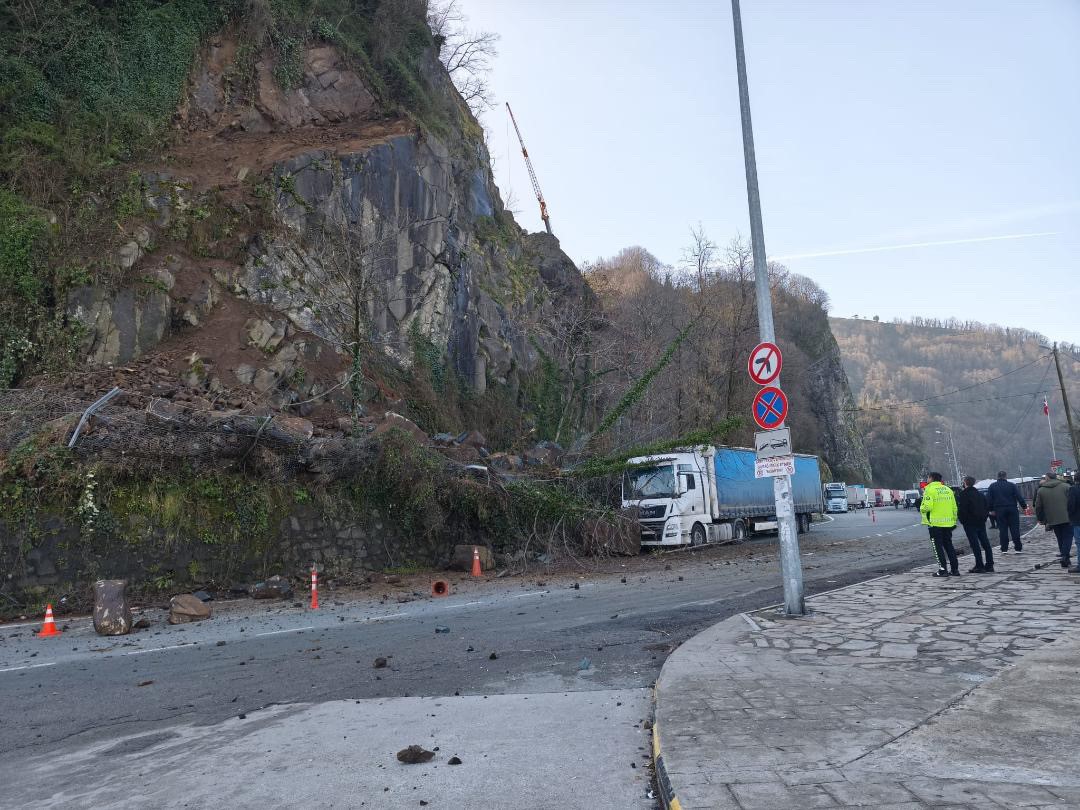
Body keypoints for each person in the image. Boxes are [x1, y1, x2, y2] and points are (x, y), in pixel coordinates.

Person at [921, 472, 960, 577]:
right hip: (948, 523)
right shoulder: (948, 490)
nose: (927, 479)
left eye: (928, 477)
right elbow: (954, 507)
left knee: (937, 547)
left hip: (935, 524)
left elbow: (927, 507)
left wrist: (921, 508)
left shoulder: (929, 490)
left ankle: (943, 570)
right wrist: (953, 520)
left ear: (931, 478)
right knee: (949, 546)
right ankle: (955, 569)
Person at [1035, 472, 1073, 568]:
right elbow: (1072, 501)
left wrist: (1040, 519)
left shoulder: (1041, 490)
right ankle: (1065, 556)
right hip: (1067, 516)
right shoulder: (1066, 486)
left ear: (1047, 478)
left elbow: (1038, 507)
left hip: (1052, 518)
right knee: (1068, 537)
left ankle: (1065, 558)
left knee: (1060, 538)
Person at [957, 476, 994, 573]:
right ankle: (990, 564)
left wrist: (963, 520)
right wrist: (984, 518)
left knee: (975, 544)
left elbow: (962, 510)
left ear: (965, 483)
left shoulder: (963, 495)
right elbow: (986, 507)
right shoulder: (980, 494)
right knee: (985, 543)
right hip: (981, 522)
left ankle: (979, 565)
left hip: (970, 523)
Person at [985, 471, 1028, 553]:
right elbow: (1018, 496)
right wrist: (1024, 506)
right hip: (1012, 509)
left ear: (997, 477)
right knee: (1015, 529)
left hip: (999, 510)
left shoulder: (992, 486)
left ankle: (1004, 548)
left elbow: (989, 499)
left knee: (1003, 530)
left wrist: (990, 510)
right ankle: (1018, 548)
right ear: (1005, 476)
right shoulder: (1012, 485)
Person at [1068, 475, 1080, 574]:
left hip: (1078, 520)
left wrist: (1070, 516)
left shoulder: (1073, 489)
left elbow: (1071, 505)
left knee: (1079, 543)